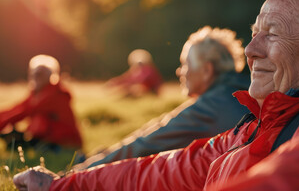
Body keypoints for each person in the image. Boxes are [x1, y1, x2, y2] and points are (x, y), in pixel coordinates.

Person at [13, 0, 299, 191]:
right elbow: (164, 170)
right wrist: (61, 185)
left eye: (271, 33)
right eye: (254, 32)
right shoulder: (259, 123)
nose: (251, 49)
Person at [74, 26, 250, 169]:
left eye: (185, 64)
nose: (179, 71)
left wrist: (80, 170)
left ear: (206, 71)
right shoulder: (244, 93)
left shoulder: (211, 106)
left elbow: (146, 143)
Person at [0, 54, 82, 150]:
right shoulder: (38, 93)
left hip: (64, 143)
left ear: (51, 76)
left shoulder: (55, 94)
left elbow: (23, 112)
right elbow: (18, 108)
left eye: (40, 74)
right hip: (49, 139)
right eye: (34, 74)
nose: (36, 77)